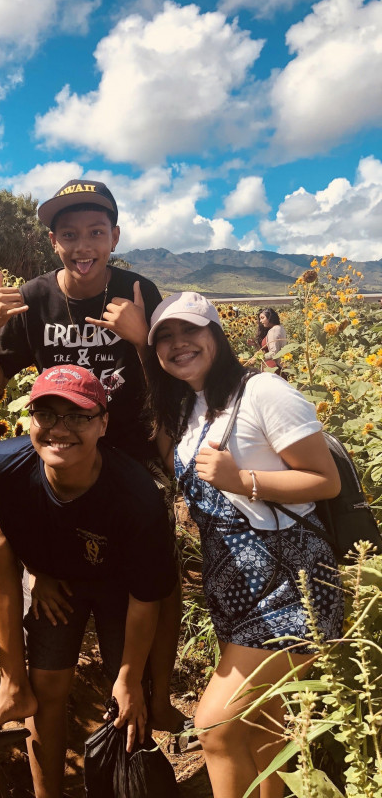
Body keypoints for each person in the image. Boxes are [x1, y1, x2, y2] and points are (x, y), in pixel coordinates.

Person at [0, 178, 184, 735]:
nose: (83, 244)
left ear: (114, 237)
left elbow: (175, 381)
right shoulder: (36, 297)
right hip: (59, 448)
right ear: (53, 241)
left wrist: (142, 340)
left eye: (96, 232)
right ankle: (11, 682)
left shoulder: (139, 290)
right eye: (70, 234)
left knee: (160, 570)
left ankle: (157, 696)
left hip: (130, 454)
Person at [143, 292, 344, 798]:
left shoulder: (263, 391)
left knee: (214, 723)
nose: (178, 344)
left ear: (217, 334)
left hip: (292, 585)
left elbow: (324, 480)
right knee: (260, 726)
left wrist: (243, 479)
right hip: (235, 596)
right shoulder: (188, 409)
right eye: (164, 338)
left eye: (190, 331)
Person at [0, 365, 179, 798]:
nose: (60, 430)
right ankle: (14, 691)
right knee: (49, 689)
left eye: (77, 417)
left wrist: (132, 677)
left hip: (123, 588)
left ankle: (140, 749)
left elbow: (147, 594)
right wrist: (38, 572)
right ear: (30, 420)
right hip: (57, 581)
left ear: (103, 424)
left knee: (125, 701)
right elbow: (8, 527)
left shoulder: (135, 496)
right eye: (47, 415)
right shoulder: (2, 466)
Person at [250, 307, 287, 375]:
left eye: (262, 318)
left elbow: (274, 353)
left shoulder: (273, 331)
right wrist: (255, 345)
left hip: (272, 368)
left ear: (270, 317)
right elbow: (268, 350)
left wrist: (257, 358)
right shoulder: (280, 327)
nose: (260, 321)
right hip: (280, 367)